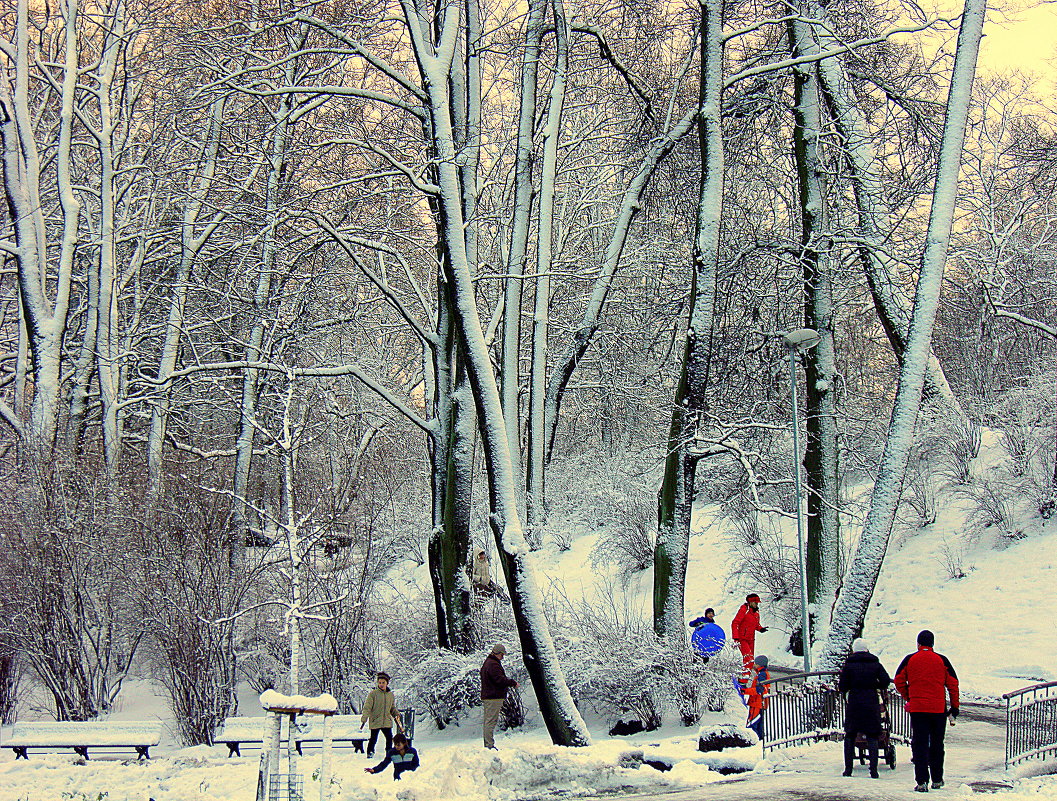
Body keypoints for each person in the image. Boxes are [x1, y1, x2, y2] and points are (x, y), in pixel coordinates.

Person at [894, 630, 960, 793]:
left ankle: (922, 781)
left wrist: (909, 696)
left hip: (918, 709)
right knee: (937, 743)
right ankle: (937, 779)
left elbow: (898, 680)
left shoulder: (910, 659)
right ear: (932, 644)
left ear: (918, 644)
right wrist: (955, 706)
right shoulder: (942, 660)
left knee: (920, 744)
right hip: (938, 710)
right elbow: (953, 684)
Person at [839, 638, 891, 779]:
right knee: (872, 735)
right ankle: (873, 770)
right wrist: (875, 685)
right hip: (871, 702)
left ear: (854, 650)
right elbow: (886, 680)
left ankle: (848, 769)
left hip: (855, 703)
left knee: (850, 735)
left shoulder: (849, 665)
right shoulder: (875, 664)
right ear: (867, 649)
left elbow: (842, 686)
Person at [481, 643, 518, 750]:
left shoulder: (488, 663)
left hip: (489, 696)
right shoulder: (493, 664)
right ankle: (489, 745)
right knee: (490, 721)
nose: (503, 657)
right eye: (502, 654)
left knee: (488, 721)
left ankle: (488, 744)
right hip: (493, 697)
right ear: (498, 653)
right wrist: (512, 682)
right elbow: (499, 680)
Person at [360, 672, 403, 758]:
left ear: (387, 683)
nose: (381, 684)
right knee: (373, 738)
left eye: (383, 682)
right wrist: (364, 717)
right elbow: (367, 707)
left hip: (386, 720)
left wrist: (396, 714)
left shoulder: (390, 695)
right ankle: (370, 752)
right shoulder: (373, 694)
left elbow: (392, 708)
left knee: (389, 738)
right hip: (375, 720)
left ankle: (389, 752)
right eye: (379, 683)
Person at [732, 594, 768, 684]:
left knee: (750, 660)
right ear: (750, 602)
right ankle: (744, 680)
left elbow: (756, 624)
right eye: (755, 602)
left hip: (751, 639)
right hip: (742, 639)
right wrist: (736, 638)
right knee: (749, 659)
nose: (757, 604)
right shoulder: (744, 609)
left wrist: (760, 629)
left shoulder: (756, 612)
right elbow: (735, 623)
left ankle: (759, 678)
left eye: (757, 603)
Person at [744, 654, 770, 738]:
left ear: (760, 665)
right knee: (759, 724)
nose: (754, 665)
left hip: (757, 703)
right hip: (761, 703)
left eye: (755, 663)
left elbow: (759, 690)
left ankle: (752, 740)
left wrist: (745, 691)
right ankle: (760, 739)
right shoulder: (763, 674)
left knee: (752, 723)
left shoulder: (761, 675)